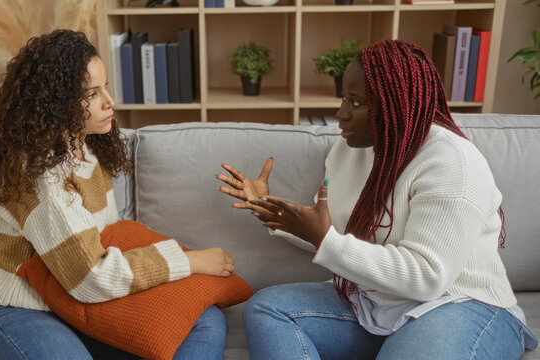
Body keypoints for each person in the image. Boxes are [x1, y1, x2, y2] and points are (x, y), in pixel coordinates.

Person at [217, 39, 537, 360]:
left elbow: (427, 278)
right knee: (269, 308)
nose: (340, 113)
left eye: (356, 102)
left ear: (396, 104)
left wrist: (322, 237)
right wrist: (271, 210)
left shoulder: (452, 162)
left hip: (459, 302)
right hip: (377, 302)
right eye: (344, 98)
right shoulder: (347, 150)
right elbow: (332, 232)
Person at [0, 29, 234, 360]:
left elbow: (101, 245)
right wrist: (190, 260)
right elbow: (90, 276)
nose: (109, 102)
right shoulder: (39, 174)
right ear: (54, 102)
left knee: (204, 318)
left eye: (104, 87)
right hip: (18, 312)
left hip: (77, 304)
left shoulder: (88, 147)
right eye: (91, 94)